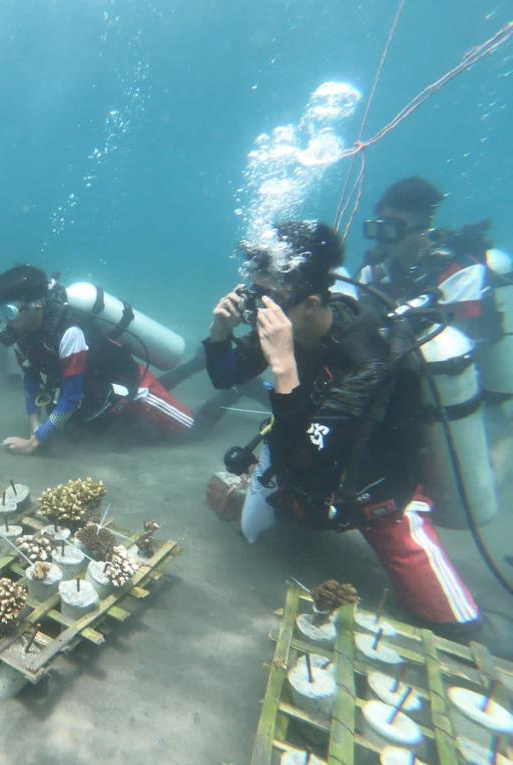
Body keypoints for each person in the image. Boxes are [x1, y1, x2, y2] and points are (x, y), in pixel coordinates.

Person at [204, 220, 480, 635]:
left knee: (456, 628)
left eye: (268, 299)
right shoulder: (287, 325)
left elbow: (314, 450)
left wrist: (282, 365)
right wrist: (220, 335)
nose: (258, 311)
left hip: (371, 486)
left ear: (311, 302)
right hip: (300, 463)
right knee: (253, 534)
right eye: (254, 295)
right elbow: (225, 377)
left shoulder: (367, 357)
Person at [0, 265, 194, 455]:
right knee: (73, 431)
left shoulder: (70, 333)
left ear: (36, 305)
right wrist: (35, 427)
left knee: (190, 430)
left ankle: (204, 369)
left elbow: (71, 398)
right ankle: (193, 366)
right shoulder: (22, 334)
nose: (6, 320)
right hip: (96, 392)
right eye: (0, 311)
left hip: (133, 388)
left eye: (10, 311)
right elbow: (31, 380)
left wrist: (34, 442)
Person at [359, 176, 496, 336]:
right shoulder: (374, 271)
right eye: (378, 228)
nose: (382, 239)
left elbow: (454, 340)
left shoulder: (458, 270)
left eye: (391, 229)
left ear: (423, 229)